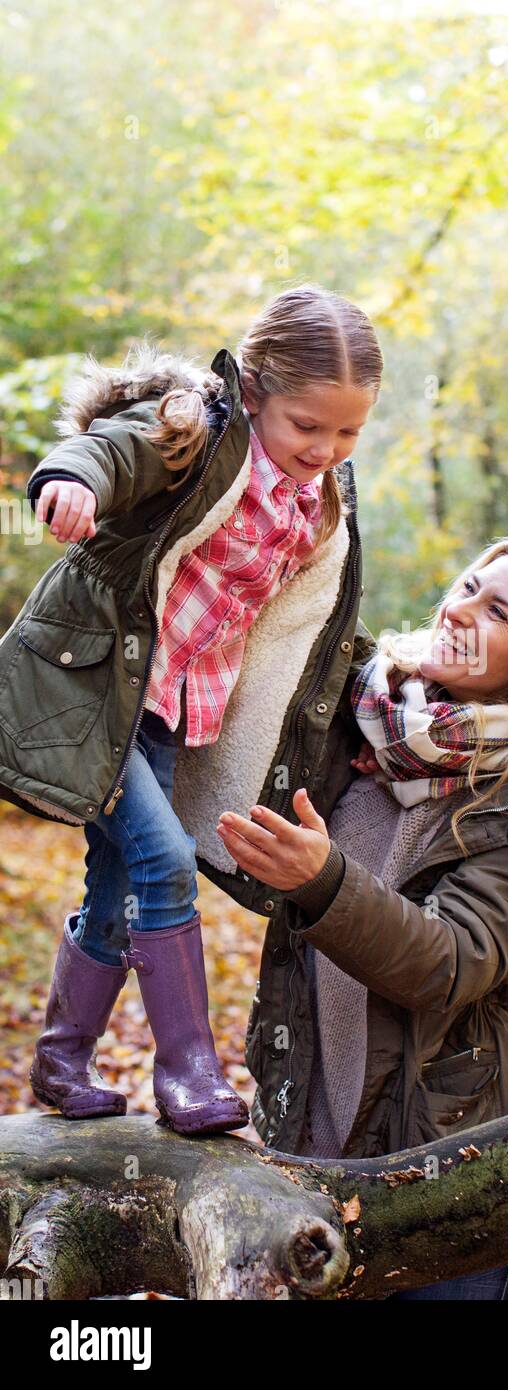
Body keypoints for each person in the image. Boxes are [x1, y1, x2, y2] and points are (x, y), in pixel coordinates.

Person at [220, 536, 508, 1299]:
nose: (460, 610)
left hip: (461, 1156)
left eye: (499, 611)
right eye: (468, 586)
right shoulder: (363, 718)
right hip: (312, 1130)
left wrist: (324, 881)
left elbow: (450, 962)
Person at [0, 283, 382, 1135]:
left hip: (174, 710)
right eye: (306, 426)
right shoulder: (195, 437)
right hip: (91, 691)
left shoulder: (317, 511)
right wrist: (71, 482)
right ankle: (188, 1073)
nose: (325, 448)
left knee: (115, 890)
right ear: (253, 393)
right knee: (164, 859)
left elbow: (313, 633)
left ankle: (62, 1063)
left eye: (348, 431)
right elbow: (111, 451)